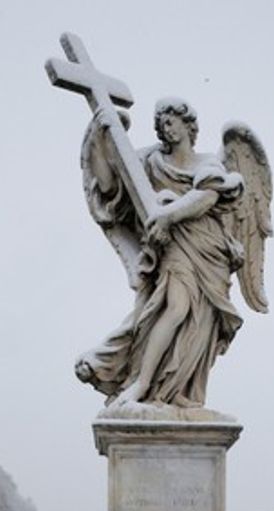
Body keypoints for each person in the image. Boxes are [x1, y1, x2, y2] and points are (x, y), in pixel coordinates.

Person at [75, 98, 247, 408]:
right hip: (174, 248)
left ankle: (168, 388)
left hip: (209, 251)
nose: (165, 128)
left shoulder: (209, 163)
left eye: (171, 121)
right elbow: (111, 184)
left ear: (188, 124)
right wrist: (100, 134)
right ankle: (141, 383)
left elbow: (207, 196)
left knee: (195, 324)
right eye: (161, 124)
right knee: (175, 307)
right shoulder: (150, 162)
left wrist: (167, 215)